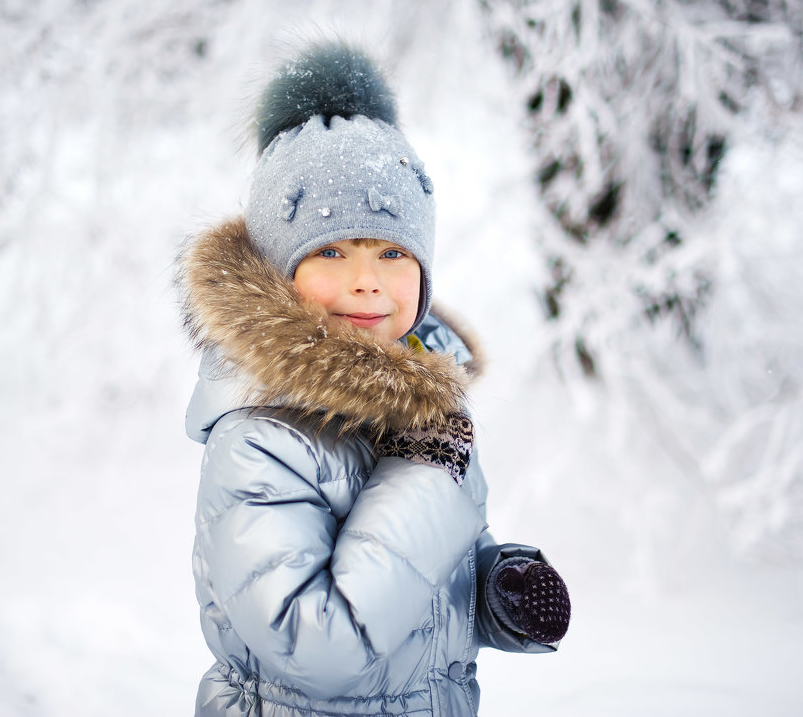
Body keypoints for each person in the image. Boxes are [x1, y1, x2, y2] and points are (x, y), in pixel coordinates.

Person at [177, 41, 570, 717]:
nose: (367, 279)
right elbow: (322, 646)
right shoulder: (258, 441)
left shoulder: (419, 408)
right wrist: (424, 474)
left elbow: (417, 581)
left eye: (393, 252)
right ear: (278, 271)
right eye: (331, 250)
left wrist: (494, 592)